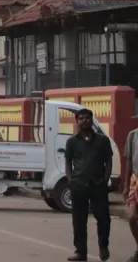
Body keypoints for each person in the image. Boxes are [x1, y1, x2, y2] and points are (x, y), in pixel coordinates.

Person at [65, 108, 113, 262]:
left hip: (98, 184)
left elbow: (109, 160)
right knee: (79, 220)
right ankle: (80, 252)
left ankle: (103, 246)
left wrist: (105, 180)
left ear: (91, 120)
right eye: (81, 118)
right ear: (77, 121)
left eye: (87, 118)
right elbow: (68, 161)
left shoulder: (102, 140)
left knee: (103, 218)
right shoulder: (72, 141)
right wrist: (70, 180)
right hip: (78, 185)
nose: (84, 120)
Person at [122, 126, 138, 262]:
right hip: (135, 182)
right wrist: (126, 186)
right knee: (132, 218)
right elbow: (129, 161)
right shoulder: (133, 135)